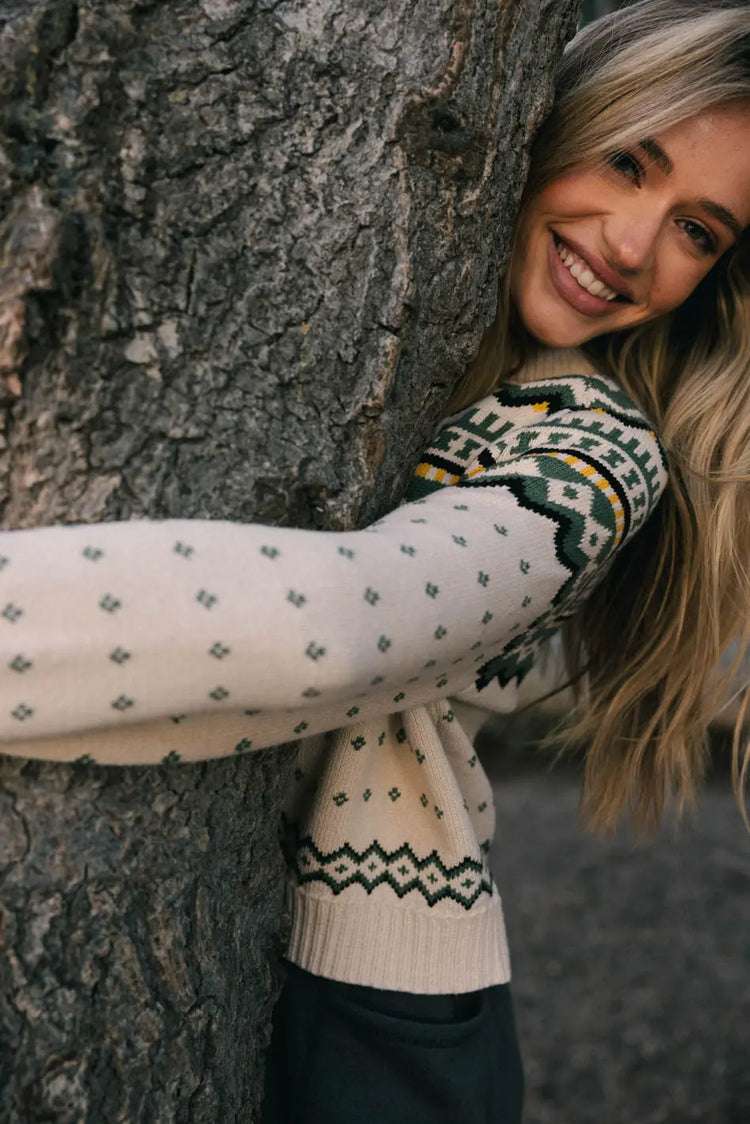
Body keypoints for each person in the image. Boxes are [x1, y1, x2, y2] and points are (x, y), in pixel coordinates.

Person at [1, 0, 749, 1120]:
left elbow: (338, 630)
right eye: (627, 160)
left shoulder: (592, 452)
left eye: (699, 229)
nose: (634, 244)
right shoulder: (393, 325)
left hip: (373, 1014)